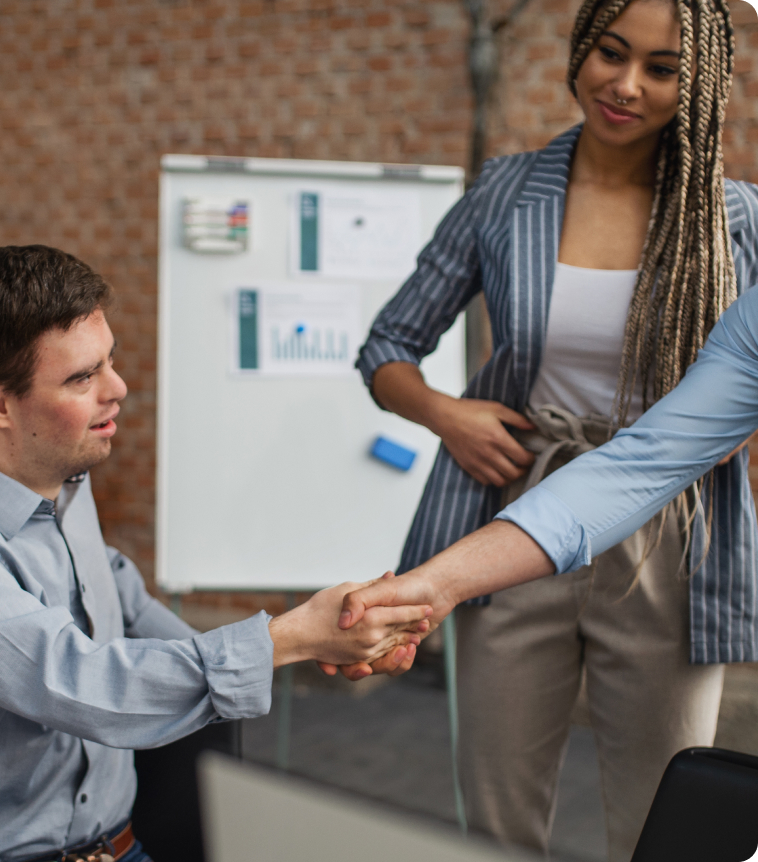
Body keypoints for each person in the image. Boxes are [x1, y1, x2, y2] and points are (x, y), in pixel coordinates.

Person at [0, 245, 433, 862]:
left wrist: (331, 636)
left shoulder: (62, 482)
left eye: (110, 362)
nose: (119, 388)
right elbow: (87, 685)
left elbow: (116, 591)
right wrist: (288, 639)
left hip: (120, 848)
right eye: (82, 377)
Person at [350, 0, 758, 857]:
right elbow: (388, 346)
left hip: (672, 529)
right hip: (514, 508)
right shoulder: (505, 192)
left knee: (666, 811)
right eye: (611, 53)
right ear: (579, 52)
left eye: (662, 68)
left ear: (699, 87)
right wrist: (444, 413)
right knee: (496, 810)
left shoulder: (733, 222)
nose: (626, 84)